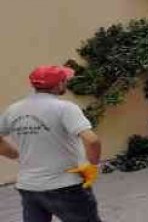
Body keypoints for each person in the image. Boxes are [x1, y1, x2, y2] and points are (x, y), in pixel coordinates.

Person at [0, 65, 103, 222]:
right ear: (59, 84)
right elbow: (92, 140)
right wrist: (92, 165)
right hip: (66, 186)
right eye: (65, 80)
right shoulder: (65, 108)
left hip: (29, 187)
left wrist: (17, 156)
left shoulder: (13, 110)